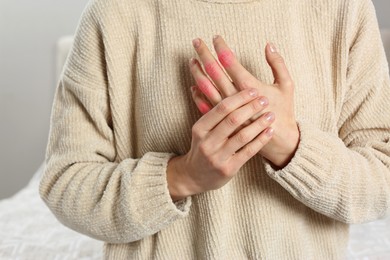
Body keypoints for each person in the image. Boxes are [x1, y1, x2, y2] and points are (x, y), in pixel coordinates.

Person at [39, 0, 390, 258]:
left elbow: (382, 179)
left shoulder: (343, 9)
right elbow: (65, 184)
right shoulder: (115, 14)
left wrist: (292, 147)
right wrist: (181, 177)